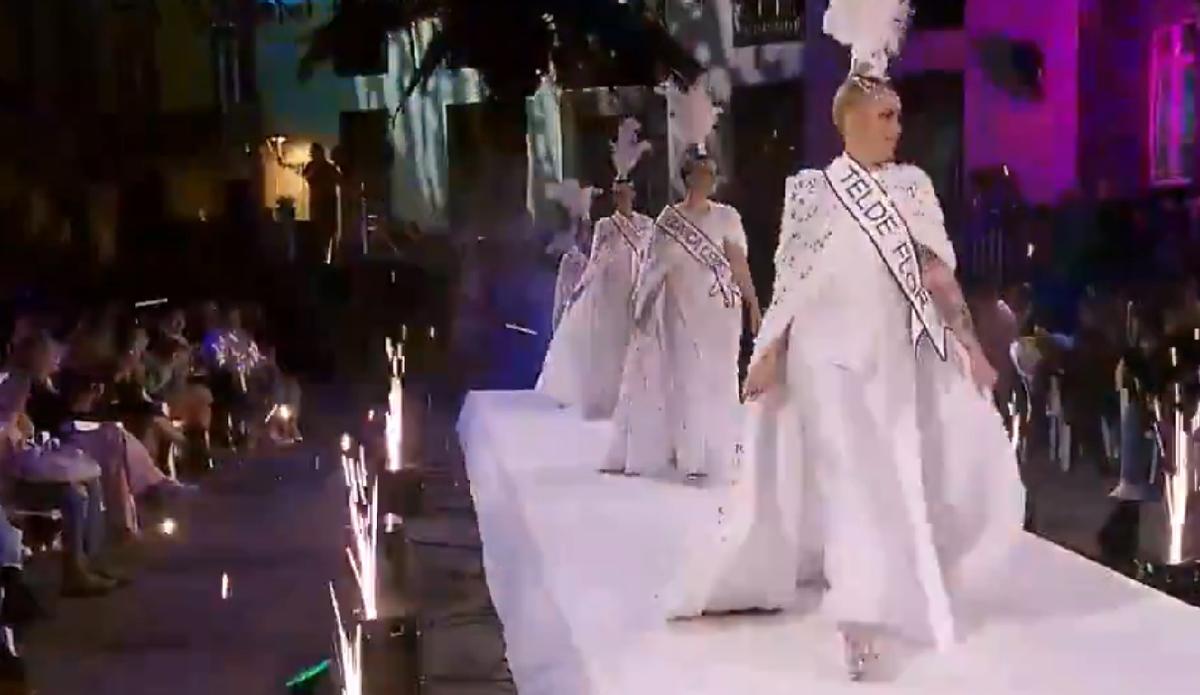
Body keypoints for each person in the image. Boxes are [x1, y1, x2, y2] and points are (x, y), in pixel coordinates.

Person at [664, 68, 1024, 681]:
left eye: (899, 117)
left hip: (891, 357)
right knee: (847, 478)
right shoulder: (811, 191)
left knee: (894, 473)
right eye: (887, 116)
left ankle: (889, 588)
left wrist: (970, 346)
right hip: (823, 355)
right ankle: (858, 618)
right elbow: (792, 276)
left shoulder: (912, 188)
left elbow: (936, 276)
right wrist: (772, 348)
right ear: (850, 119)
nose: (898, 128)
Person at [604, 97, 761, 479]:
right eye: (699, 174)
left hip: (718, 311)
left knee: (719, 377)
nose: (705, 180)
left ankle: (717, 451)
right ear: (687, 177)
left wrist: (752, 303)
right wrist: (642, 308)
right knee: (686, 376)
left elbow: (738, 262)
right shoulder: (668, 220)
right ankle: (689, 452)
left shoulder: (728, 217)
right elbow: (652, 270)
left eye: (711, 174)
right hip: (679, 308)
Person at [537, 120, 655, 419]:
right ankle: (609, 398)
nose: (622, 199)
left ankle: (638, 399)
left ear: (634, 196)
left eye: (626, 194)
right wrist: (579, 288)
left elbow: (652, 257)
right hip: (611, 289)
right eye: (617, 195)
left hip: (638, 286)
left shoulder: (646, 225)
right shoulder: (605, 225)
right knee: (611, 343)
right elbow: (597, 260)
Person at [302, 143, 342, 264]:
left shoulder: (329, 168)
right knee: (316, 231)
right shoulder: (310, 166)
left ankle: (329, 258)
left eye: (315, 152)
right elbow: (306, 177)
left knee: (329, 231)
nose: (313, 155)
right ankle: (320, 257)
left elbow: (340, 180)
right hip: (316, 204)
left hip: (328, 203)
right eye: (312, 153)